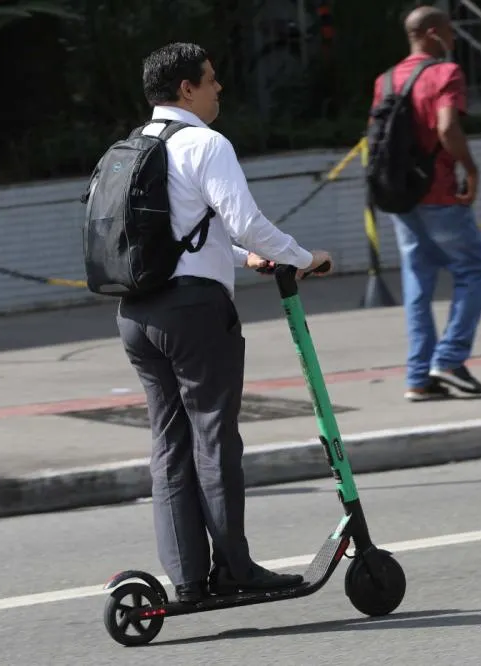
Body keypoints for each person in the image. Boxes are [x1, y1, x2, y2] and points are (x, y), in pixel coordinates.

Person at [117, 42, 334, 604]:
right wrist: (301, 256)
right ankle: (234, 569)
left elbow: (181, 233)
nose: (218, 89)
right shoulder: (205, 143)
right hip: (193, 314)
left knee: (170, 444)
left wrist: (244, 259)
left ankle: (189, 577)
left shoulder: (135, 147)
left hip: (137, 314)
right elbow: (246, 220)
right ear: (186, 89)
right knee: (214, 438)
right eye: (210, 80)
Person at [370, 6, 481, 402]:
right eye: (451, 32)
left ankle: (418, 377)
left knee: (418, 281)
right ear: (434, 33)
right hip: (439, 192)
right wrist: (470, 170)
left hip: (400, 195)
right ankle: (451, 359)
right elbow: (446, 127)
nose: (454, 39)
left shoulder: (386, 80)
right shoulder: (445, 73)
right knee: (474, 268)